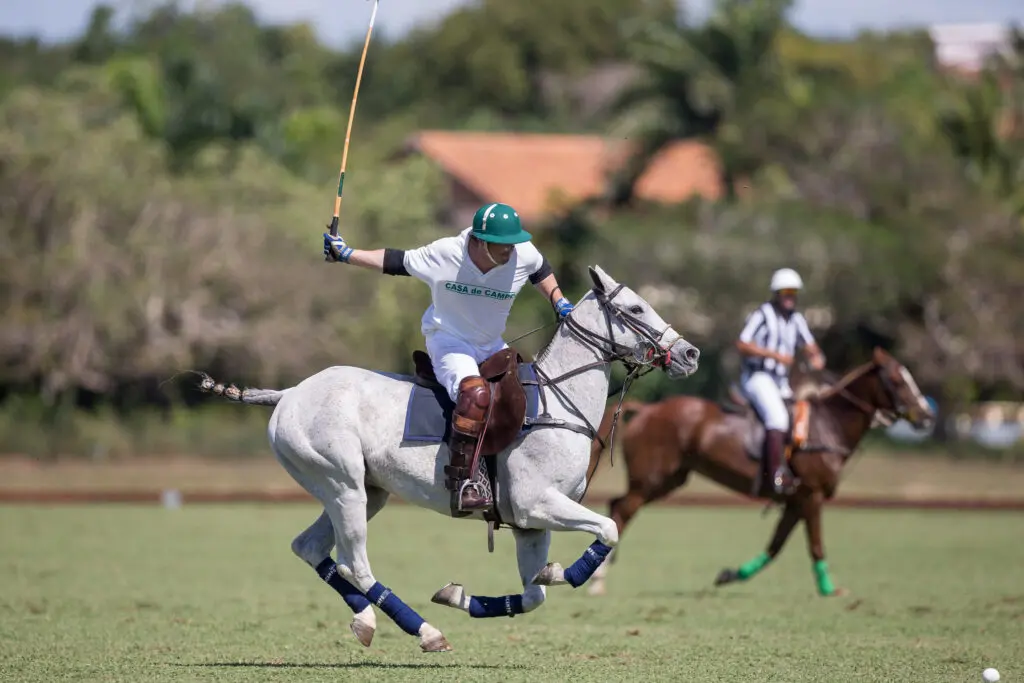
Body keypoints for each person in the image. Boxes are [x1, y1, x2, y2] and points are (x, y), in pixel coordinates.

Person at [323, 202, 573, 515]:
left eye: (513, 243)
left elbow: (541, 269)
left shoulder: (522, 251)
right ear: (481, 242)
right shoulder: (445, 254)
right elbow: (395, 261)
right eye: (503, 245)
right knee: (475, 393)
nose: (510, 250)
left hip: (490, 343)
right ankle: (465, 482)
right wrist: (346, 254)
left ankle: (517, 477)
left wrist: (558, 301)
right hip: (450, 341)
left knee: (525, 393)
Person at [735, 268, 826, 496]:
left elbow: (810, 346)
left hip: (782, 381)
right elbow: (743, 344)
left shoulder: (796, 319)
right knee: (777, 418)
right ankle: (775, 475)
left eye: (793, 293)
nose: (790, 297)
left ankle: (799, 469)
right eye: (786, 292)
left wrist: (817, 357)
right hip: (758, 377)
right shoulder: (762, 314)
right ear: (776, 293)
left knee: (803, 417)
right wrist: (773, 355)